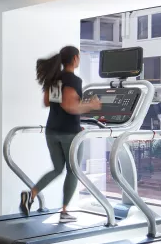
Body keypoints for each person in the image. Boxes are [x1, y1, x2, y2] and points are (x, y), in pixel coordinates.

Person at [20, 46, 102, 223]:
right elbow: (70, 106)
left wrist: (76, 104)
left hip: (52, 131)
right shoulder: (73, 80)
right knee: (73, 170)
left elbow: (47, 102)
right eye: (78, 57)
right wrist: (92, 106)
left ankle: (31, 194)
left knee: (58, 169)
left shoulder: (54, 79)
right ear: (74, 59)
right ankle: (65, 212)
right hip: (68, 133)